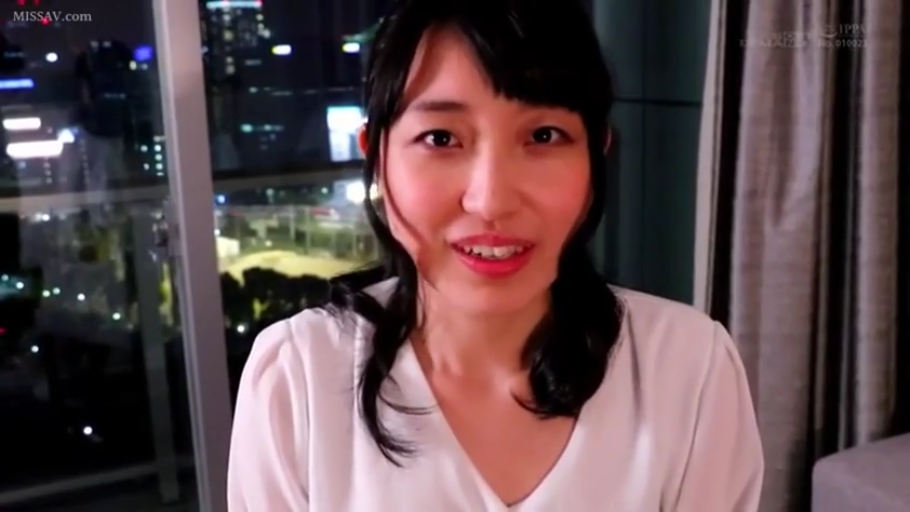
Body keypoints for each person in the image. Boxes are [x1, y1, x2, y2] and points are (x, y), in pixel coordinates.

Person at [227, 0, 764, 510]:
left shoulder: (688, 370)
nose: (491, 200)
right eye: (441, 138)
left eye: (544, 135)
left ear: (596, 155)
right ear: (378, 159)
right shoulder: (296, 380)